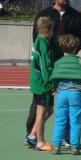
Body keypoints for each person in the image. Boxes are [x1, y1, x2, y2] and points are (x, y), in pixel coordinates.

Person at [25, 0, 81, 148]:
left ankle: (67, 138)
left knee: (64, 104)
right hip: (50, 69)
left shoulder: (76, 16)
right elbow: (37, 39)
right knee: (40, 107)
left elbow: (80, 39)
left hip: (66, 64)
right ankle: (32, 135)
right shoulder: (43, 15)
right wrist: (50, 77)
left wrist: (70, 54)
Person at [49, 34, 81, 155]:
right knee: (75, 121)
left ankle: (56, 146)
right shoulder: (80, 62)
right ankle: (75, 147)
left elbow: (54, 78)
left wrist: (54, 87)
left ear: (62, 48)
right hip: (75, 93)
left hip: (62, 93)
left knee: (60, 120)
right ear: (76, 48)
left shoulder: (58, 62)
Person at [27, 17, 55, 152]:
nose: (53, 33)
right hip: (42, 84)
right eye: (52, 30)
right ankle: (40, 142)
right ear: (47, 31)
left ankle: (32, 136)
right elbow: (44, 66)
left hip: (38, 82)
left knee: (49, 110)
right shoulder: (43, 44)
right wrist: (50, 83)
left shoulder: (38, 41)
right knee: (41, 112)